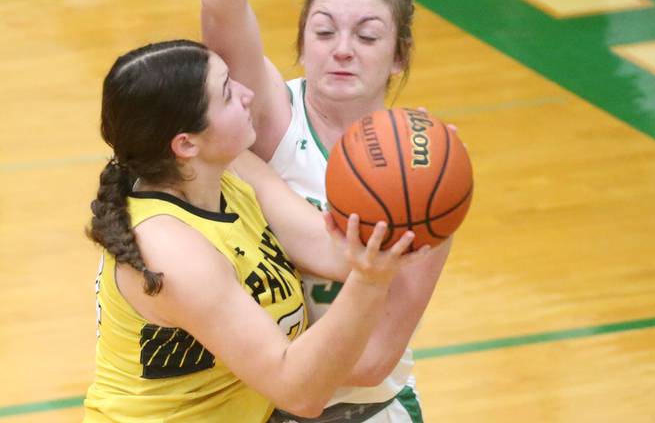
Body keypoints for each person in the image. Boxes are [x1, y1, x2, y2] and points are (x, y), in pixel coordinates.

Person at [201, 0, 453, 422]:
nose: (342, 49)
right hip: (250, 400)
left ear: (398, 57)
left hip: (361, 407)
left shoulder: (429, 169)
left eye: (367, 36)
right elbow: (220, 7)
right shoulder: (265, 118)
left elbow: (371, 359)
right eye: (324, 32)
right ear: (301, 46)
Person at [83, 39, 428, 423]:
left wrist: (416, 177)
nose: (247, 95)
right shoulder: (171, 252)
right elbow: (298, 390)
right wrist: (368, 282)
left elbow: (330, 248)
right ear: (186, 144)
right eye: (228, 92)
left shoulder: (230, 171)